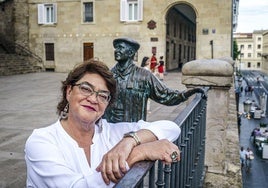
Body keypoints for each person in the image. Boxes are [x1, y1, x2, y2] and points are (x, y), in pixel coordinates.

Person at [24, 59, 181, 188]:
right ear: (69, 91)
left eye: (103, 95)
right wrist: (138, 153)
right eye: (86, 89)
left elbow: (171, 128)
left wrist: (130, 140)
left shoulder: (111, 133)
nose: (93, 99)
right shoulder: (41, 141)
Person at [105, 37, 206, 123]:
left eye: (121, 48)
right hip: (109, 130)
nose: (117, 50)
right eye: (116, 48)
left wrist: (188, 93)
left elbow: (165, 95)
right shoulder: (108, 75)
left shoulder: (144, 76)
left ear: (131, 52)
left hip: (134, 132)